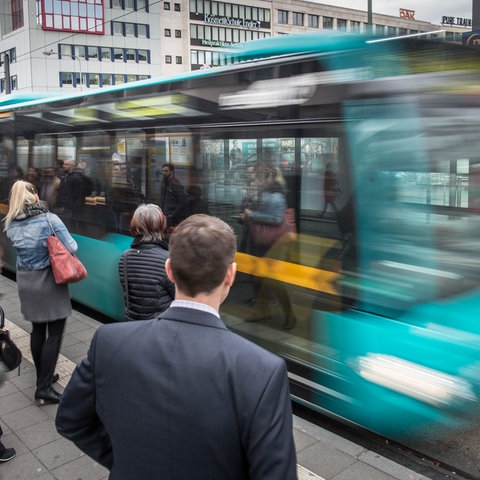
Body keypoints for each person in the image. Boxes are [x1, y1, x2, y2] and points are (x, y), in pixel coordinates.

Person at [56, 214, 297, 480]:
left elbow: (70, 420)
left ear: (169, 270)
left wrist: (124, 461)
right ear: (231, 275)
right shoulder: (263, 371)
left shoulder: (108, 342)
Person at [4, 181, 78, 405]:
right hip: (48, 281)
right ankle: (43, 388)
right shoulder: (48, 219)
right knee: (54, 333)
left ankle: (43, 377)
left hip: (26, 281)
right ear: (34, 196)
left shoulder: (11, 224)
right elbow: (72, 247)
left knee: (37, 330)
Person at [242, 167, 297, 330]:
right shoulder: (263, 194)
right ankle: (261, 311)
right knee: (260, 278)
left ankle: (290, 314)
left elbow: (276, 219)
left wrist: (252, 215)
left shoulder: (277, 196)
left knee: (274, 280)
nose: (258, 181)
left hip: (275, 243)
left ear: (270, 179)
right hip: (262, 241)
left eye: (261, 178)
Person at [118, 204, 175, 321]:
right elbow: (178, 296)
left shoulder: (125, 257)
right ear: (161, 225)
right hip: (159, 325)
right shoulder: (168, 259)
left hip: (134, 324)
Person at [159, 163, 187, 229]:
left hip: (173, 217)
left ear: (172, 171)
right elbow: (162, 199)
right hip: (165, 215)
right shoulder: (164, 184)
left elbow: (182, 202)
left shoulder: (176, 184)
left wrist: (172, 214)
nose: (164, 173)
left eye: (166, 171)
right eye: (163, 171)